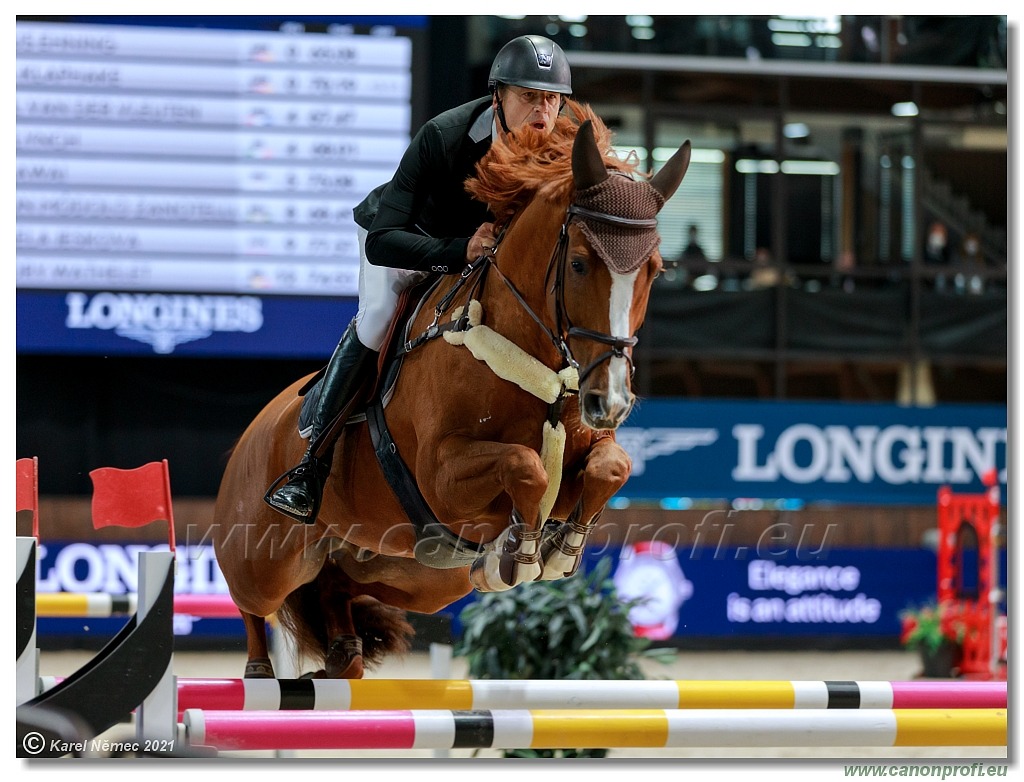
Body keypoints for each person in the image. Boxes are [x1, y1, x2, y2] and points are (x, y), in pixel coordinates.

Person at [265, 35, 573, 523]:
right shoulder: (443, 135)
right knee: (378, 318)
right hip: (410, 243)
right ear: (498, 96)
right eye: (529, 96)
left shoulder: (563, 147)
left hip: (479, 261)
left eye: (552, 99)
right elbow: (382, 239)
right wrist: (458, 250)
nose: (543, 111)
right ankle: (311, 467)